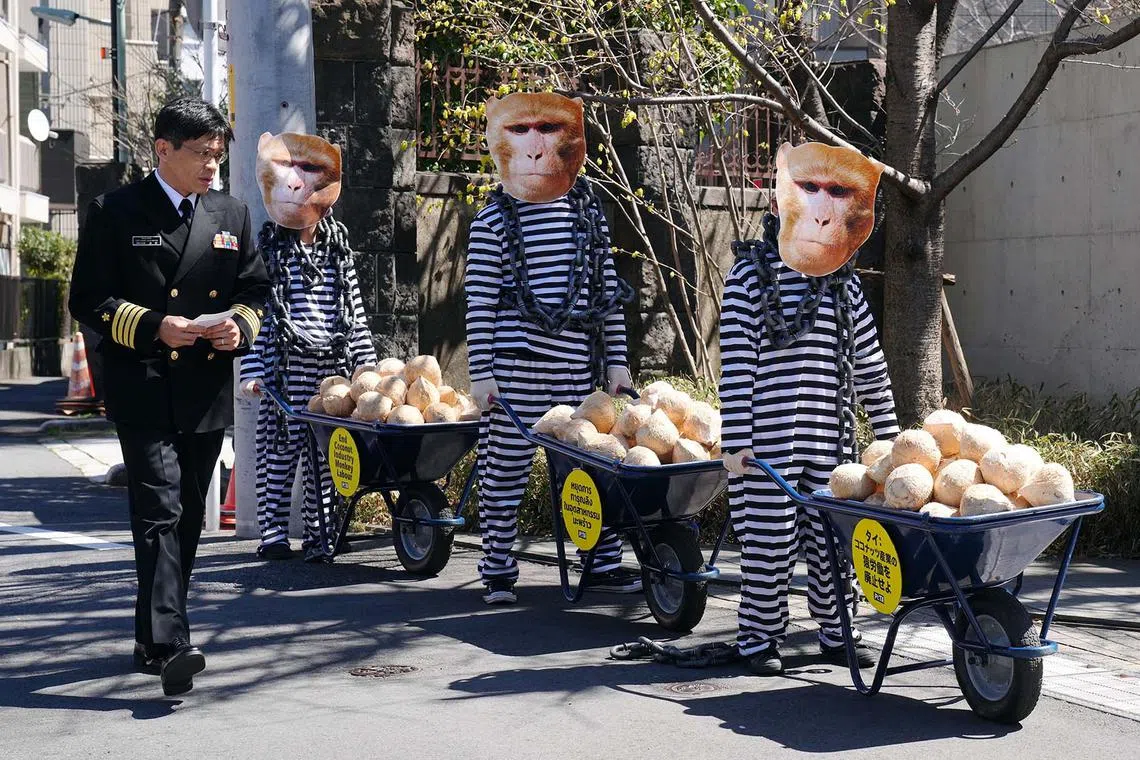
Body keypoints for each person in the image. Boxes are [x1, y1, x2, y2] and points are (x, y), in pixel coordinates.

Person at [68, 97, 269, 696]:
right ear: (164, 150)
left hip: (205, 386)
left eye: (218, 154)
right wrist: (155, 325)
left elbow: (257, 290)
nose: (213, 166)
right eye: (202, 154)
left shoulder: (231, 212)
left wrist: (240, 324)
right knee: (160, 510)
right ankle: (172, 644)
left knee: (184, 519)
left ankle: (148, 635)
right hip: (146, 383)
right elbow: (89, 299)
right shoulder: (116, 209)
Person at [718, 141, 900, 675]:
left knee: (832, 543)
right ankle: (757, 636)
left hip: (830, 440)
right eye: (802, 192)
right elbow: (736, 363)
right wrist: (736, 440)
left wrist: (888, 437)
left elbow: (868, 362)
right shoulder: (750, 278)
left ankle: (836, 630)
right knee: (768, 542)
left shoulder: (842, 284)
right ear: (777, 203)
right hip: (764, 444)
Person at [465, 92, 638, 605]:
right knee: (505, 467)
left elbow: (607, 294)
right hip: (516, 369)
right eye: (521, 133)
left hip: (574, 367)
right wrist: (483, 372)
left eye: (549, 132)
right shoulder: (492, 222)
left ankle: (602, 560)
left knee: (590, 468)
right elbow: (480, 302)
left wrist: (618, 361)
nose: (537, 148)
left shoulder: (587, 218)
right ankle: (497, 563)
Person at [238, 132, 377, 562]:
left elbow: (353, 307)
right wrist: (253, 369)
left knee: (327, 455)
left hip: (331, 369)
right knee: (279, 453)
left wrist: (366, 364)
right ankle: (274, 532)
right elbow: (259, 313)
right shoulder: (268, 248)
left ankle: (322, 532)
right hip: (285, 366)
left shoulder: (338, 247)